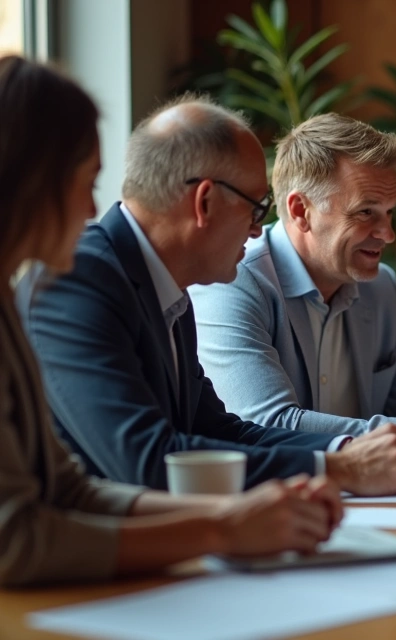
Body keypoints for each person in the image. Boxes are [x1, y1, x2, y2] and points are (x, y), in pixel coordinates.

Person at [0, 55, 342, 588]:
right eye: (85, 182)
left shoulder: (164, 286)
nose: (94, 208)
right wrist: (222, 531)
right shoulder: (74, 280)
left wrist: (238, 517)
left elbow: (68, 490)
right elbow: (19, 537)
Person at [20, 94, 396, 496]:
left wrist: (343, 453)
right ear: (204, 203)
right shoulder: (79, 277)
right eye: (256, 208)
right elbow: (145, 460)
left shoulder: (166, 285)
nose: (257, 230)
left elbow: (217, 430)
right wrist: (337, 469)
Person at [190, 113, 396, 461]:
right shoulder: (234, 282)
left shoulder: (381, 287)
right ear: (301, 210)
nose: (387, 234)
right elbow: (268, 425)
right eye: (365, 213)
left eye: (390, 213)